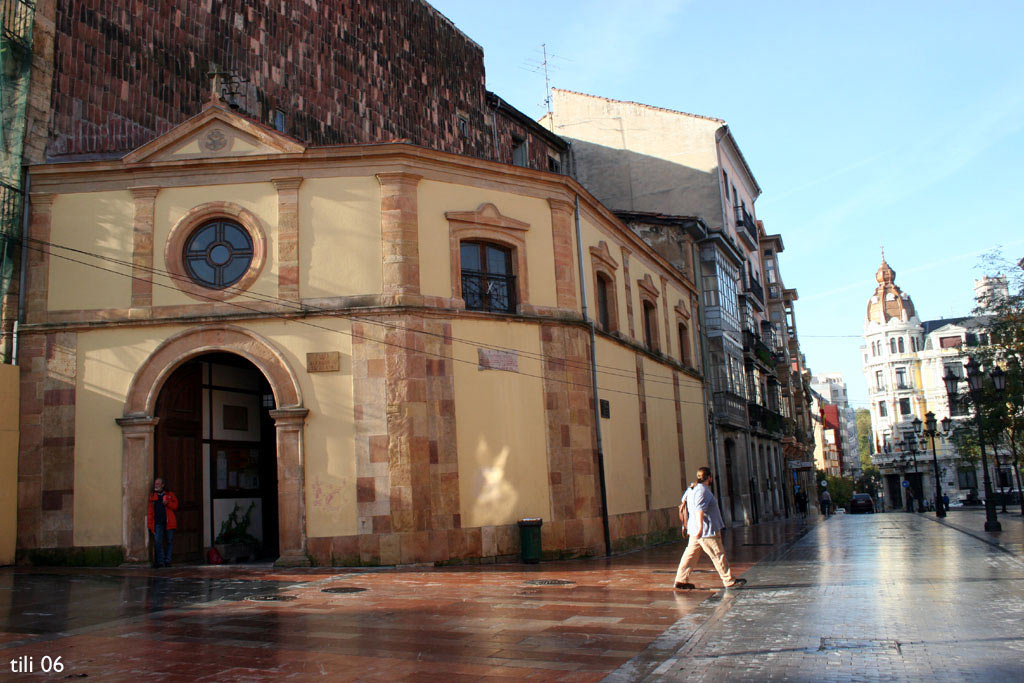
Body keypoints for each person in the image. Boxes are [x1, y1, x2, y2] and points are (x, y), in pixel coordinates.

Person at [674, 467, 746, 591]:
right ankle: (728, 580)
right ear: (709, 478)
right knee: (718, 554)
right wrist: (701, 527)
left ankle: (681, 580)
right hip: (706, 531)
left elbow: (683, 502)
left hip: (693, 530)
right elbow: (699, 509)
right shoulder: (703, 490)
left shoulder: (691, 489)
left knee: (690, 555)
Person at [147, 478, 179, 568]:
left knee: (169, 541)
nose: (156, 485)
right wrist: (150, 523)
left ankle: (168, 560)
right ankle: (160, 561)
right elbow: (150, 511)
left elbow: (176, 505)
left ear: (162, 485)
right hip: (157, 522)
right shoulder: (153, 496)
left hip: (169, 522)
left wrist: (167, 503)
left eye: (158, 483)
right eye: (155, 484)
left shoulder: (169, 494)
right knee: (158, 542)